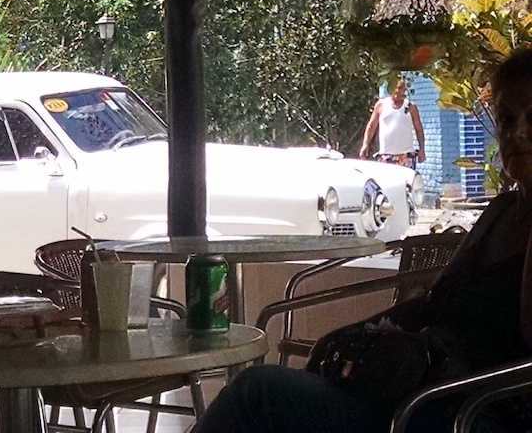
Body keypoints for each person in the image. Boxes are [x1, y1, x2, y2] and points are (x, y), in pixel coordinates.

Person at [192, 48, 532, 433]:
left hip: (478, 412)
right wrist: (350, 333)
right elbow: (434, 302)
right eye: (506, 119)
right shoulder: (501, 212)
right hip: (427, 390)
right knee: (274, 390)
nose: (517, 133)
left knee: (259, 395)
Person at [358, 78, 427, 168]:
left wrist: (422, 149)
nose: (397, 90)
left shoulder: (410, 107)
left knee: (407, 178)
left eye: (400, 88)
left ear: (404, 89)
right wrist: (365, 144)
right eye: (394, 87)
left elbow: (418, 129)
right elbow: (371, 126)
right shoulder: (381, 105)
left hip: (406, 157)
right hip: (385, 156)